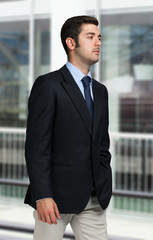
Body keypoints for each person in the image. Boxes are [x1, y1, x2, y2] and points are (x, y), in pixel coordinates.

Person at [24, 15, 112, 240]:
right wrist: (42, 194)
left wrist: (102, 183)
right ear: (71, 43)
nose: (98, 42)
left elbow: (101, 144)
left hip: (93, 199)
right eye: (90, 37)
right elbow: (37, 146)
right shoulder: (48, 85)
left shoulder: (100, 92)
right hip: (54, 200)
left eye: (99, 37)